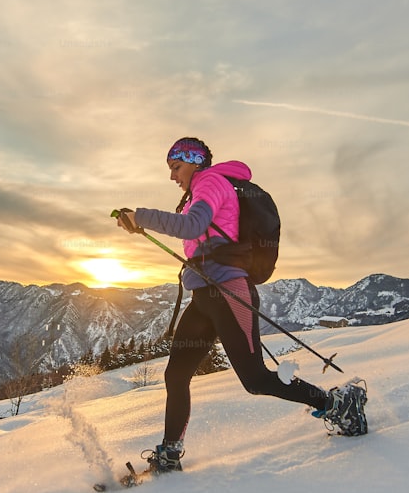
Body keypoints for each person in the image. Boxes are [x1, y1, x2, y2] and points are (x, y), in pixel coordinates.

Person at [117, 137, 367, 473]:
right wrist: (140, 224)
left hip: (228, 292)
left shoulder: (211, 182)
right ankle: (170, 453)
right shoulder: (197, 194)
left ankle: (335, 403)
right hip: (204, 296)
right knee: (176, 374)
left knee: (255, 379)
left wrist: (141, 216)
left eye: (176, 167)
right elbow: (196, 233)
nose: (172, 176)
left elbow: (193, 226)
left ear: (194, 162)